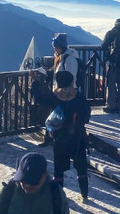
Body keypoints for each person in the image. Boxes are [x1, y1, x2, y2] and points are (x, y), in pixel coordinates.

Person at [30, 70, 91, 200]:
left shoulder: (55, 97)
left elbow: (38, 98)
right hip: (78, 137)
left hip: (60, 138)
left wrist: (34, 82)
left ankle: (58, 197)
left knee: (58, 170)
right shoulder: (79, 97)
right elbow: (86, 116)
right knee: (81, 168)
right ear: (71, 82)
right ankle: (84, 195)